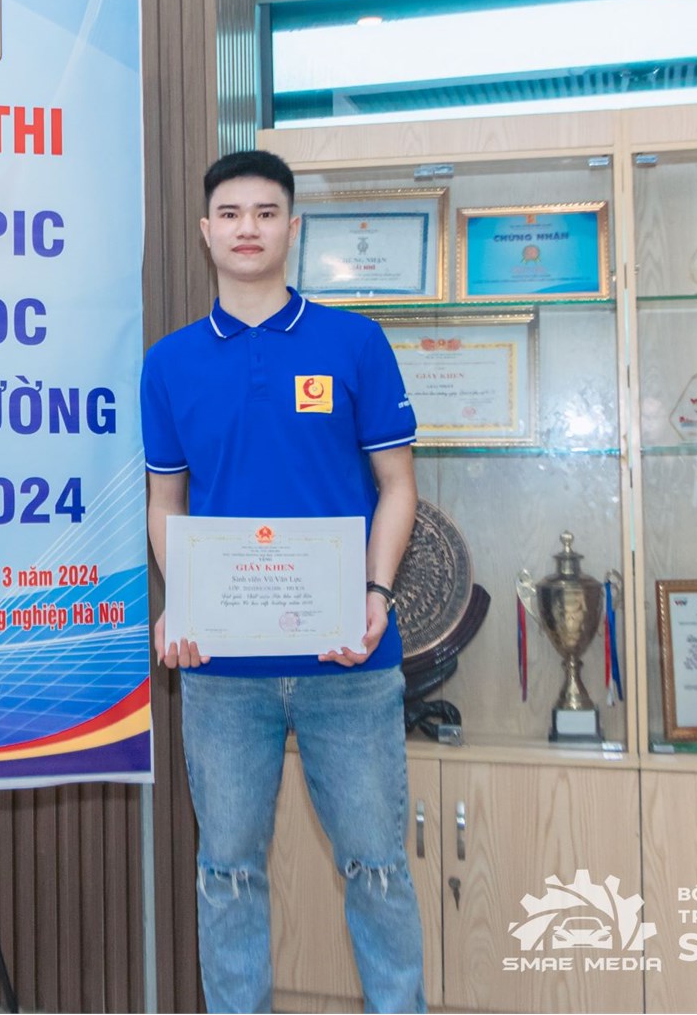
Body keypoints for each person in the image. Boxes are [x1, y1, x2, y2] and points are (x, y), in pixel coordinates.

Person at [141, 149, 423, 1014]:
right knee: (226, 869)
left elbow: (398, 487)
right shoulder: (169, 363)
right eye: (230, 214)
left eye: (265, 213)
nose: (247, 229)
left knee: (377, 866)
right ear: (205, 232)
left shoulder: (353, 343)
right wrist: (182, 603)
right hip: (223, 672)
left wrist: (375, 596)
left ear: (291, 229)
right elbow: (165, 501)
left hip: (350, 659)